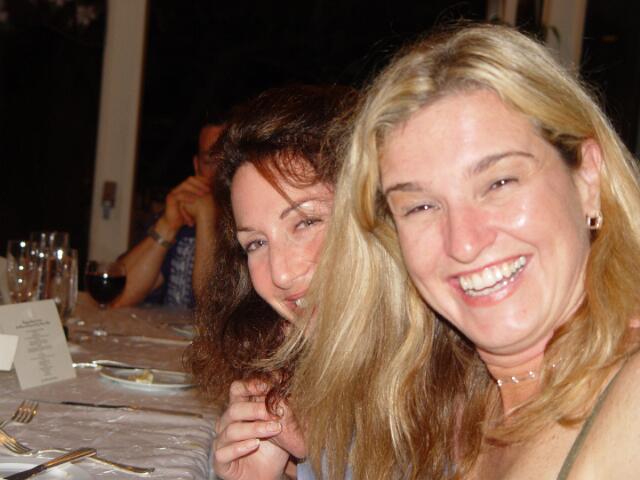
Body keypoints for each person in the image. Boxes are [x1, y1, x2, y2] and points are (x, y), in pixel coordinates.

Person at [278, 23, 640, 479]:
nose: (464, 243)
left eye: (499, 182)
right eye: (421, 206)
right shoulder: (458, 406)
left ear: (588, 178)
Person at [187, 85, 357, 479]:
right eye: (256, 243)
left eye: (306, 222)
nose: (280, 274)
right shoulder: (301, 370)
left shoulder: (459, 387)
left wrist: (323, 451)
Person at [114, 123, 224, 308]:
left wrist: (207, 216)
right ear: (197, 166)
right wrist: (168, 225)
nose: (220, 173)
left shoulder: (254, 231)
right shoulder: (185, 219)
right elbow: (119, 296)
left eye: (228, 160)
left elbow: (213, 310)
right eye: (209, 161)